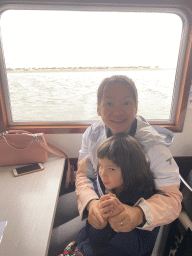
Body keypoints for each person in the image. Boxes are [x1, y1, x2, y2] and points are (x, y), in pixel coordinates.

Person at [48, 75, 182, 256]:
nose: (118, 111)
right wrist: (91, 204)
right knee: (50, 213)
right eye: (109, 104)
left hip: (131, 214)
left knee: (51, 242)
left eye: (126, 103)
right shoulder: (92, 135)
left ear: (136, 108)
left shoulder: (154, 146)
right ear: (98, 108)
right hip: (99, 196)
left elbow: (172, 198)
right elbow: (83, 175)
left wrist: (138, 214)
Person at [77, 133, 163, 256]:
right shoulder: (104, 186)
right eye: (100, 166)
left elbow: (144, 245)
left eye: (111, 169)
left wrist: (120, 220)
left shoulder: (147, 199)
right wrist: (98, 220)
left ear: (130, 170)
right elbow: (90, 234)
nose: (102, 174)